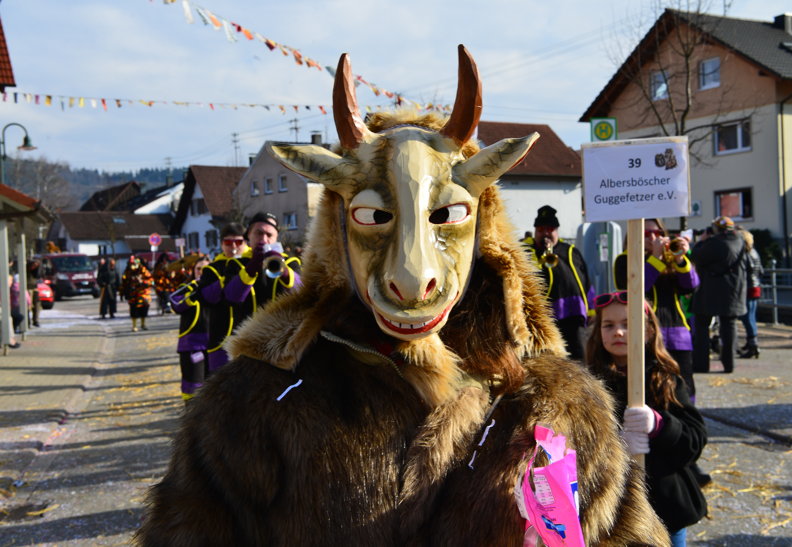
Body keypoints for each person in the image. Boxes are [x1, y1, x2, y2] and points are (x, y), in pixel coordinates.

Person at [137, 51, 669, 545]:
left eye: (447, 218)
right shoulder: (258, 401)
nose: (414, 277)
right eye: (373, 219)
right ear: (339, 235)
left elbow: (623, 533)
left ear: (483, 234)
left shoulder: (557, 402)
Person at [585, 291, 708, 546]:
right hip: (614, 511)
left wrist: (660, 426)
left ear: (649, 331)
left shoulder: (665, 379)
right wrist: (616, 444)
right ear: (598, 333)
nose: (618, 332)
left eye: (628, 324)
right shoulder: (589, 383)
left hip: (665, 508)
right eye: (609, 325)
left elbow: (695, 439)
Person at [614, 218, 699, 398]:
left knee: (684, 382)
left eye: (658, 233)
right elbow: (636, 288)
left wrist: (680, 259)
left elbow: (690, 286)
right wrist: (656, 259)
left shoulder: (671, 259)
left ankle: (689, 420)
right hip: (645, 330)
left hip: (677, 330)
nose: (653, 238)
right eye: (647, 234)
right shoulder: (625, 259)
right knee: (651, 383)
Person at [524, 205, 594, 360]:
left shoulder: (570, 251)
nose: (545, 234)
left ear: (556, 231)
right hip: (543, 317)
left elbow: (585, 280)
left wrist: (591, 309)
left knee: (577, 357)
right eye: (541, 230)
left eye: (550, 230)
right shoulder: (526, 250)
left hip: (572, 315)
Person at [223, 212, 301, 326]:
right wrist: (251, 267)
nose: (264, 240)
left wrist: (284, 272)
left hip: (280, 332)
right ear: (249, 234)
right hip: (246, 334)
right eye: (259, 233)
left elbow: (303, 292)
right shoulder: (235, 263)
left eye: (269, 235)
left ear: (276, 238)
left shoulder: (291, 262)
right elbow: (231, 297)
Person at [690, 216, 747, 374]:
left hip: (710, 290)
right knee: (729, 326)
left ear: (716, 229)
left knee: (702, 326)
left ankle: (701, 364)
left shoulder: (714, 243)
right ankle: (729, 364)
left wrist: (701, 241)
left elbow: (695, 256)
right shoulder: (740, 241)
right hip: (733, 291)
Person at [197, 222, 247, 372]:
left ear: (245, 242)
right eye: (228, 242)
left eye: (238, 242)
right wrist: (225, 281)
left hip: (249, 335)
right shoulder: (213, 268)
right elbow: (205, 298)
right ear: (221, 244)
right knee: (220, 385)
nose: (233, 247)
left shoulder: (255, 262)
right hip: (220, 335)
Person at [169, 255, 210, 404]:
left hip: (214, 345)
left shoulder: (216, 288)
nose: (201, 272)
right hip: (192, 345)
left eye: (206, 269)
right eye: (198, 269)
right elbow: (176, 305)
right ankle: (192, 417)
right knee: (193, 385)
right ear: (193, 271)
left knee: (213, 384)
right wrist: (193, 294)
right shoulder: (186, 287)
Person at [738, 229, 762, 359]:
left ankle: (753, 344)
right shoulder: (755, 252)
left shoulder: (745, 254)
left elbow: (747, 269)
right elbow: (760, 270)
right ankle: (750, 342)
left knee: (747, 318)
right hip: (755, 285)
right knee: (751, 316)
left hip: (748, 287)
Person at [121, 256, 153, 332]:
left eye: (134, 264)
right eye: (131, 264)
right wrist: (123, 292)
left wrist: (142, 282)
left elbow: (151, 281)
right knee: (133, 310)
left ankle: (143, 324)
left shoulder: (144, 271)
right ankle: (134, 326)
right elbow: (123, 283)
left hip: (143, 294)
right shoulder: (127, 272)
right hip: (133, 294)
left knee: (144, 309)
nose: (133, 266)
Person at [26, 258, 42, 327]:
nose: (34, 266)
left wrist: (37, 267)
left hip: (34, 288)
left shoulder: (36, 271)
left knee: (36, 305)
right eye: (33, 265)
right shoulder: (26, 269)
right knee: (27, 306)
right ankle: (27, 322)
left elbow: (38, 275)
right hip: (27, 288)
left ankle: (35, 320)